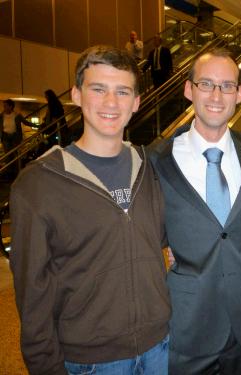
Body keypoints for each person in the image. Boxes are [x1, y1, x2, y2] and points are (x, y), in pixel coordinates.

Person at [9, 45, 171, 375]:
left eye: (122, 91)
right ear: (77, 95)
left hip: (160, 348)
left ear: (136, 103)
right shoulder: (38, 184)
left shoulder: (151, 169)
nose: (111, 103)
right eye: (99, 89)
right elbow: (32, 295)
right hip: (91, 362)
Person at [149, 48, 241, 375]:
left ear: (239, 94)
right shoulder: (157, 159)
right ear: (189, 90)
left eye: (227, 85)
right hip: (188, 324)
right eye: (206, 84)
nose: (217, 95)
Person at [0, 99, 33, 177]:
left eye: (6, 106)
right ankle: (8, 172)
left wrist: (37, 126)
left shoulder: (17, 115)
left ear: (11, 106)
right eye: (3, 106)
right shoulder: (1, 115)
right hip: (5, 137)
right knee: (8, 155)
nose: (4, 107)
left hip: (15, 137)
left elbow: (25, 122)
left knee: (15, 155)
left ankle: (16, 172)